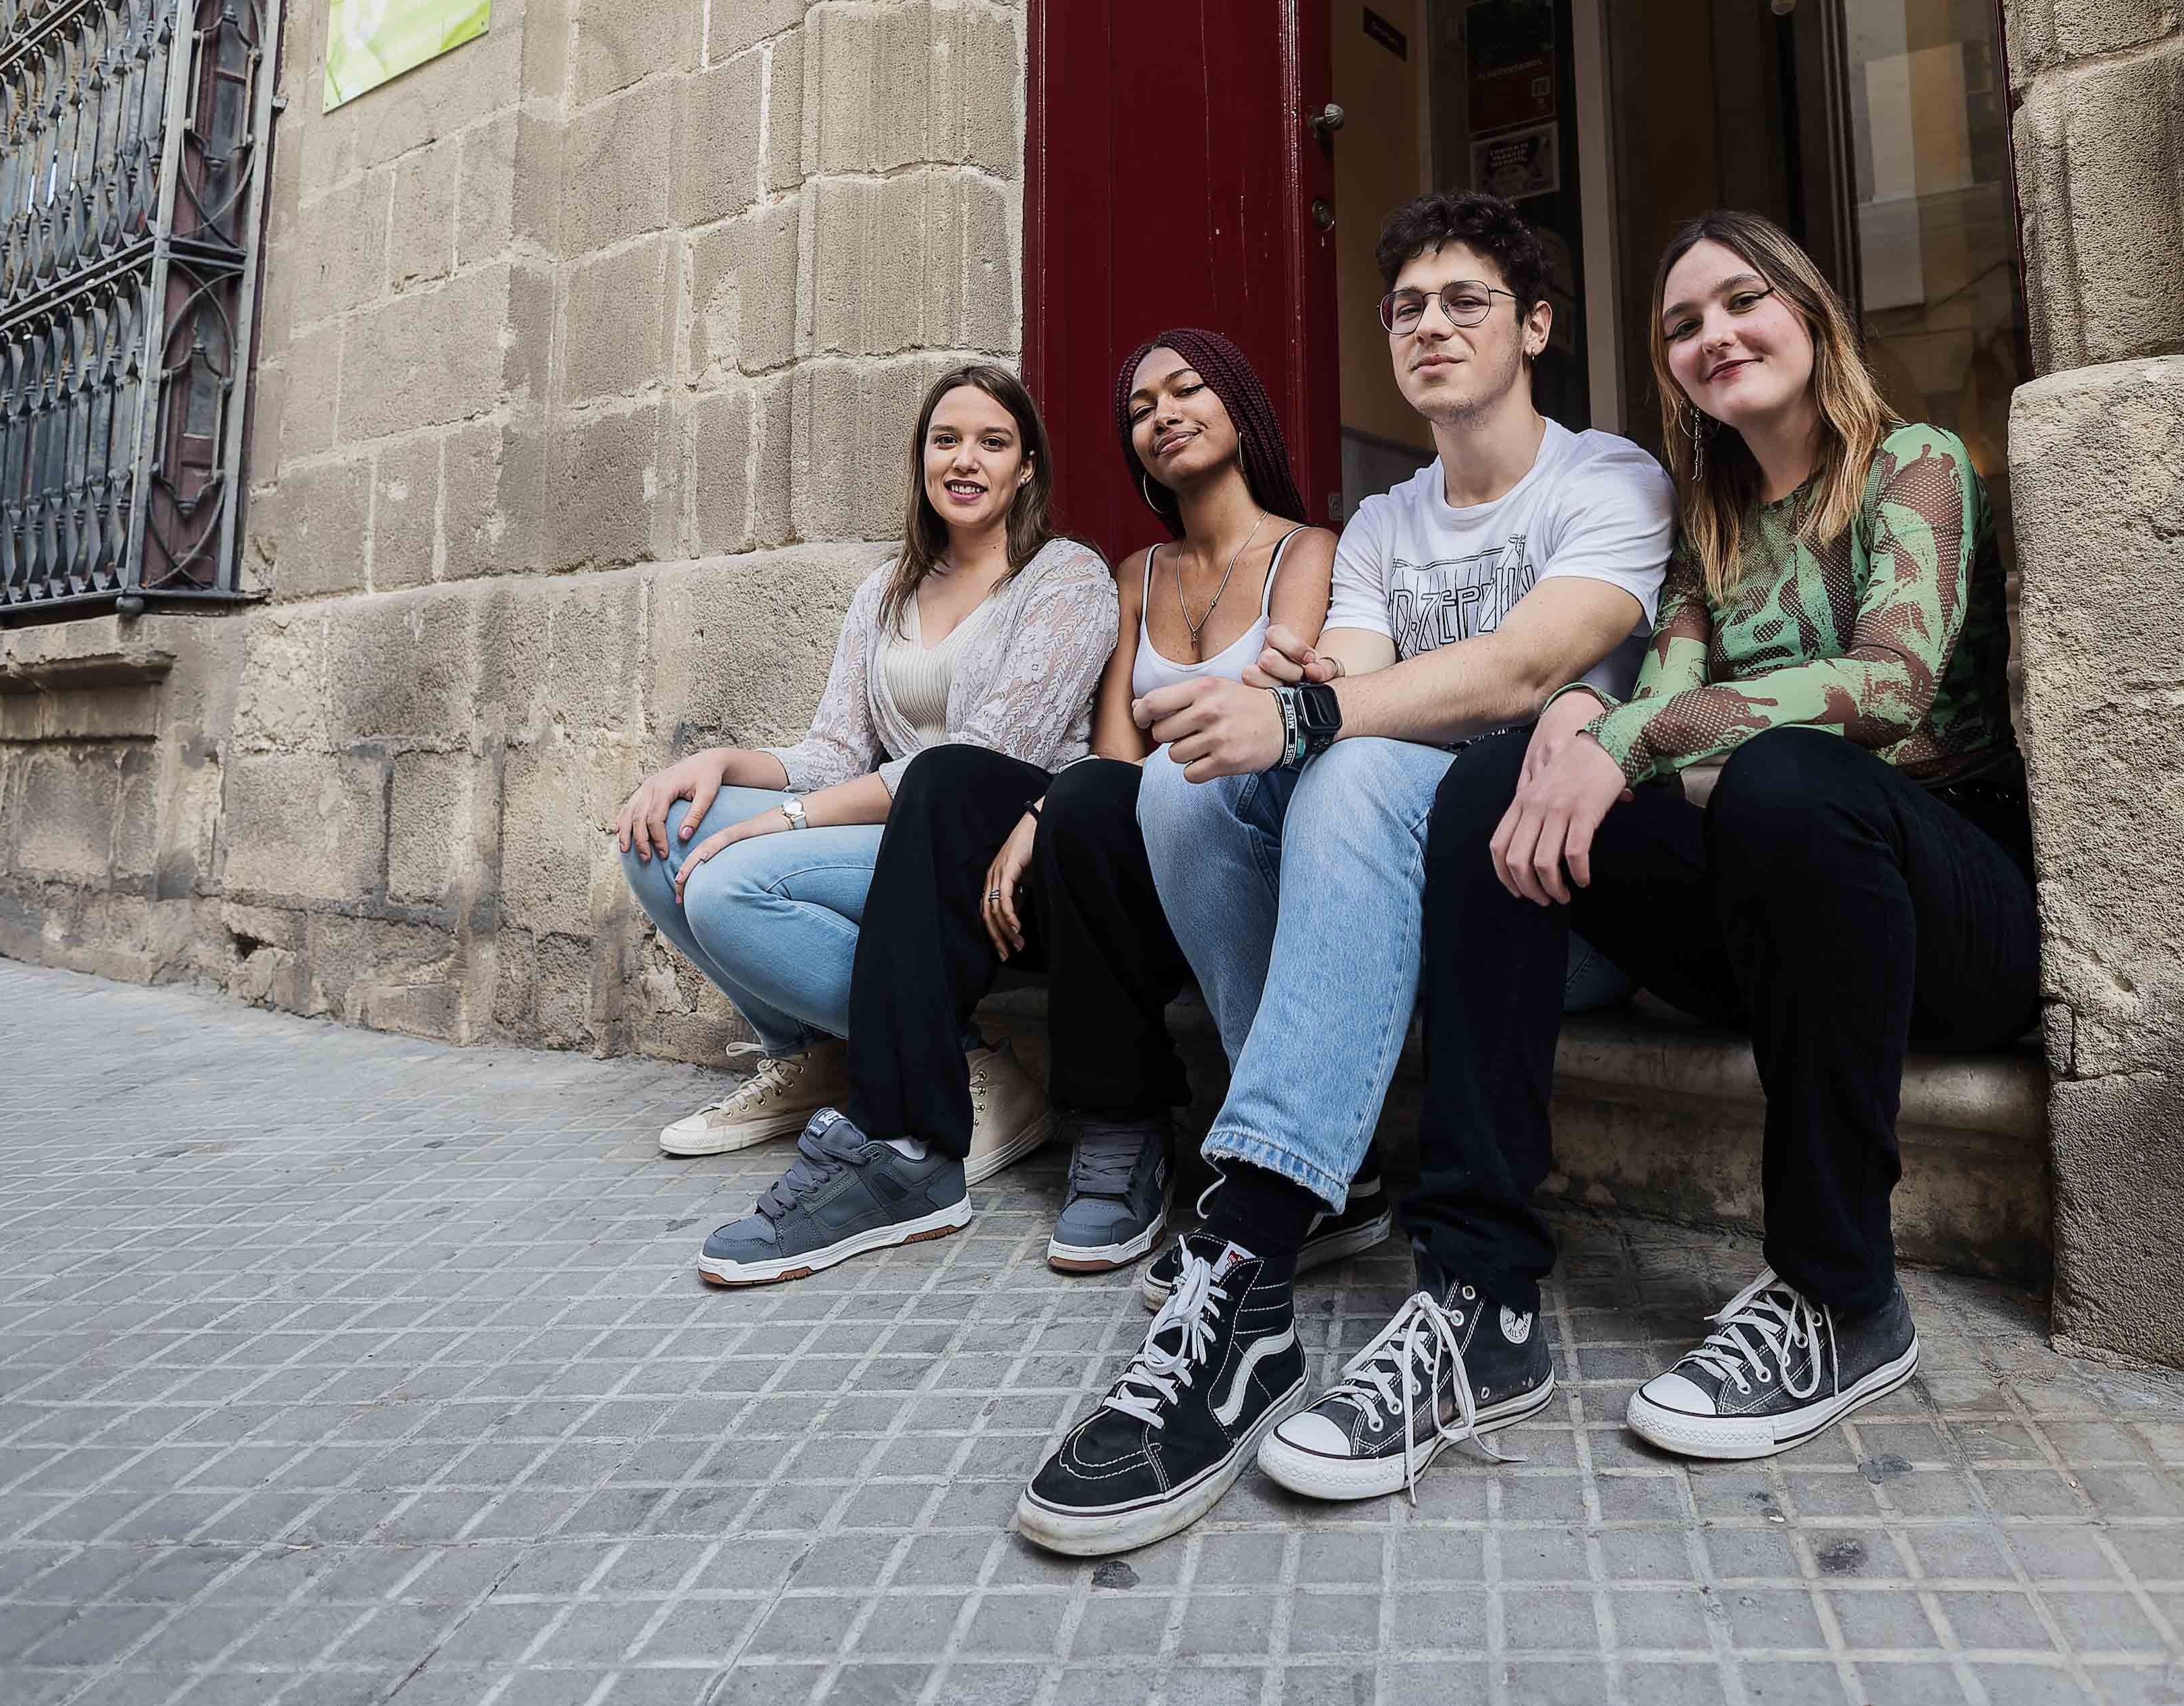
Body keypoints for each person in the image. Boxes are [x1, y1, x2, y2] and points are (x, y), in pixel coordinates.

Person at [1259, 208, 2038, 1500]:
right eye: (1683, 324)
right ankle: (1478, 1297)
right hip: (1769, 916)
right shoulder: (1711, 529)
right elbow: (1640, 708)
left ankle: (1842, 1296)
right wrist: (1577, 724)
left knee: (1789, 778)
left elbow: (1890, 685)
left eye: (1742, 303)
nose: (1714, 335)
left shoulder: (1918, 465)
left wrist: (1625, 730)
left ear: (1810, 311)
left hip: (1948, 906)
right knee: (1500, 773)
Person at [1014, 194, 1674, 1558]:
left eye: (1462, 301)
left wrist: (1320, 717)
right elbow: (1356, 681)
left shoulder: (1605, 477)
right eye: (1404, 309)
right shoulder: (1380, 522)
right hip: (1397, 895)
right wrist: (1294, 699)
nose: (1426, 326)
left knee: (1353, 765)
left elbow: (1523, 668)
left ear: (1534, 325)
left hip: (1550, 899)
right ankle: (1313, 1174)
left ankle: (1244, 1255)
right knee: (1182, 780)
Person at [741, 328, 1336, 1288]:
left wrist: (1052, 812)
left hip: (1239, 855)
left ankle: (1121, 1122)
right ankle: (905, 1145)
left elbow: (1270, 710)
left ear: (1241, 409)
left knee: (1085, 798)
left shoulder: (1307, 552)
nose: (1162, 416)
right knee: (947, 777)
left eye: (1187, 392)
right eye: (1140, 410)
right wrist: (1034, 816)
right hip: (1123, 865)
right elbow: (1112, 759)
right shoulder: (1135, 574)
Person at [609, 365, 1117, 1260]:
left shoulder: (1064, 578)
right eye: (946, 440)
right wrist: (718, 764)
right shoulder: (884, 591)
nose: (966, 460)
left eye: (993, 443)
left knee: (728, 889)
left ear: (1026, 467)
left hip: (996, 849)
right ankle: (820, 1055)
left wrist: (789, 821)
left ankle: (954, 1058)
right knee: (660, 835)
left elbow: (990, 758)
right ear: (921, 459)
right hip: (890, 825)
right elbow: (836, 752)